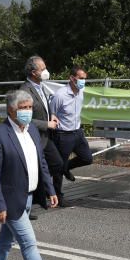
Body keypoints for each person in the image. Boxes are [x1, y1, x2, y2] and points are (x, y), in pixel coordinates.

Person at [0, 90, 65, 260]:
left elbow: (42, 163)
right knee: (29, 243)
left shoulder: (32, 132)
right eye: (23, 108)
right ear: (11, 110)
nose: (28, 112)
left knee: (4, 240)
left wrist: (51, 190)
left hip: (29, 196)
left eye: (29, 108)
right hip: (10, 199)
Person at [19, 55, 65, 219]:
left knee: (57, 164)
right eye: (42, 69)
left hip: (45, 137)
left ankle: (41, 193)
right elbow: (24, 117)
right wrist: (46, 124)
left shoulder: (41, 86)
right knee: (31, 170)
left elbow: (44, 107)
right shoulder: (25, 90)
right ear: (33, 72)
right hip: (33, 136)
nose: (46, 71)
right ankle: (28, 204)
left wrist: (51, 116)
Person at [49, 66, 93, 206]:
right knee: (58, 168)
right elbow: (53, 114)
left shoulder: (81, 92)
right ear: (72, 78)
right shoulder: (60, 95)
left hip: (77, 132)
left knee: (87, 158)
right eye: (80, 78)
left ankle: (67, 167)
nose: (83, 81)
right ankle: (58, 196)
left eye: (84, 78)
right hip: (63, 135)